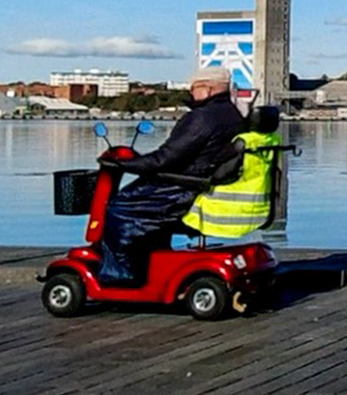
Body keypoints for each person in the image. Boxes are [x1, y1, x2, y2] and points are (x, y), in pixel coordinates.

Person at [97, 70, 246, 284]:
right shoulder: (232, 115)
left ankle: (119, 274)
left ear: (208, 89)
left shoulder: (201, 117)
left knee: (118, 207)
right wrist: (138, 162)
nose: (191, 92)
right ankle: (149, 263)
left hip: (180, 187)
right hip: (200, 182)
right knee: (136, 200)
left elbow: (165, 159)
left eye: (194, 88)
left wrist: (122, 164)